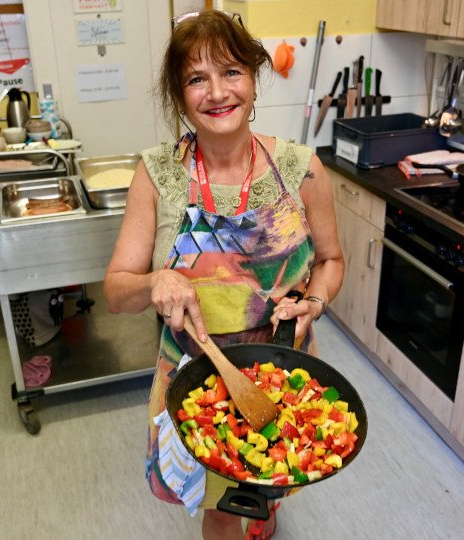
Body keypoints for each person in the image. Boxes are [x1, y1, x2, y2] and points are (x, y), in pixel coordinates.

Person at [103, 10, 344, 540]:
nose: (217, 92)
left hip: (285, 374)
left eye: (231, 71)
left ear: (255, 80)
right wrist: (152, 283)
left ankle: (265, 517)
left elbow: (331, 261)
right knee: (218, 505)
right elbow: (116, 290)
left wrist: (316, 302)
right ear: (179, 96)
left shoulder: (302, 170)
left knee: (272, 483)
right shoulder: (156, 175)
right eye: (196, 78)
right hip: (196, 383)